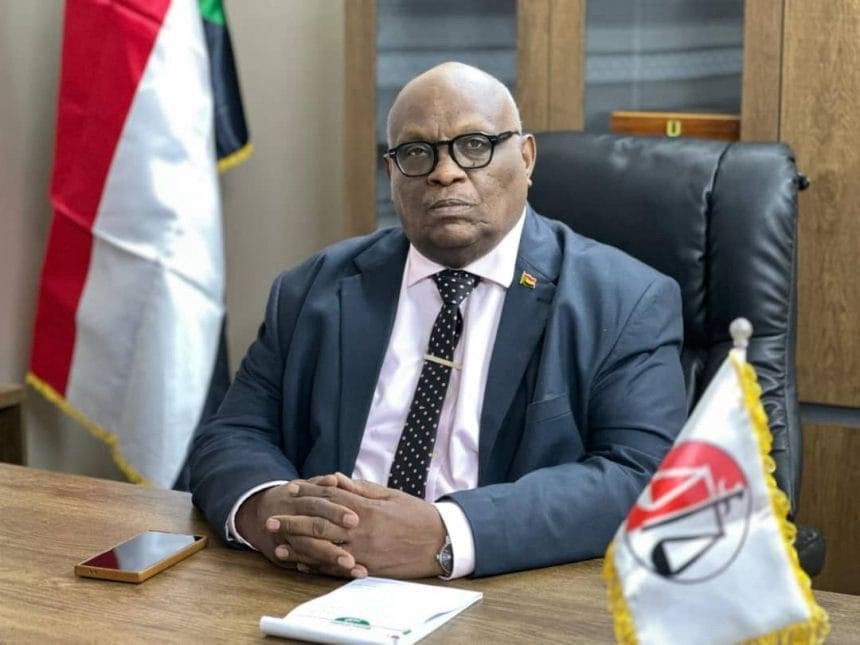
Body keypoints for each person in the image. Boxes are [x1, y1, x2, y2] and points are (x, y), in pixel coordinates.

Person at [189, 62, 687, 580]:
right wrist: (271, 511)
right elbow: (232, 435)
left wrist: (447, 534)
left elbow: (643, 475)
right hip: (310, 583)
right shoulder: (311, 289)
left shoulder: (625, 300)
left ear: (526, 158)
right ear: (391, 174)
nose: (444, 172)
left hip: (502, 593)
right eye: (415, 152)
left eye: (474, 145)